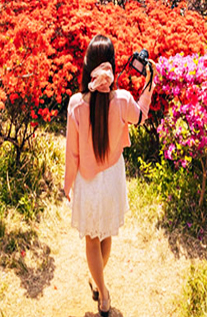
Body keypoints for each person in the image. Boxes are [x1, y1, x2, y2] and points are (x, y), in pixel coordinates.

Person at [63, 34, 156, 316]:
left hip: (89, 181)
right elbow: (141, 115)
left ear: (87, 66)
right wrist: (149, 80)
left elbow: (72, 154)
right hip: (113, 178)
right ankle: (100, 286)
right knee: (105, 235)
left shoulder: (76, 104)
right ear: (113, 65)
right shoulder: (124, 100)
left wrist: (68, 185)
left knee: (92, 237)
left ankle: (100, 289)